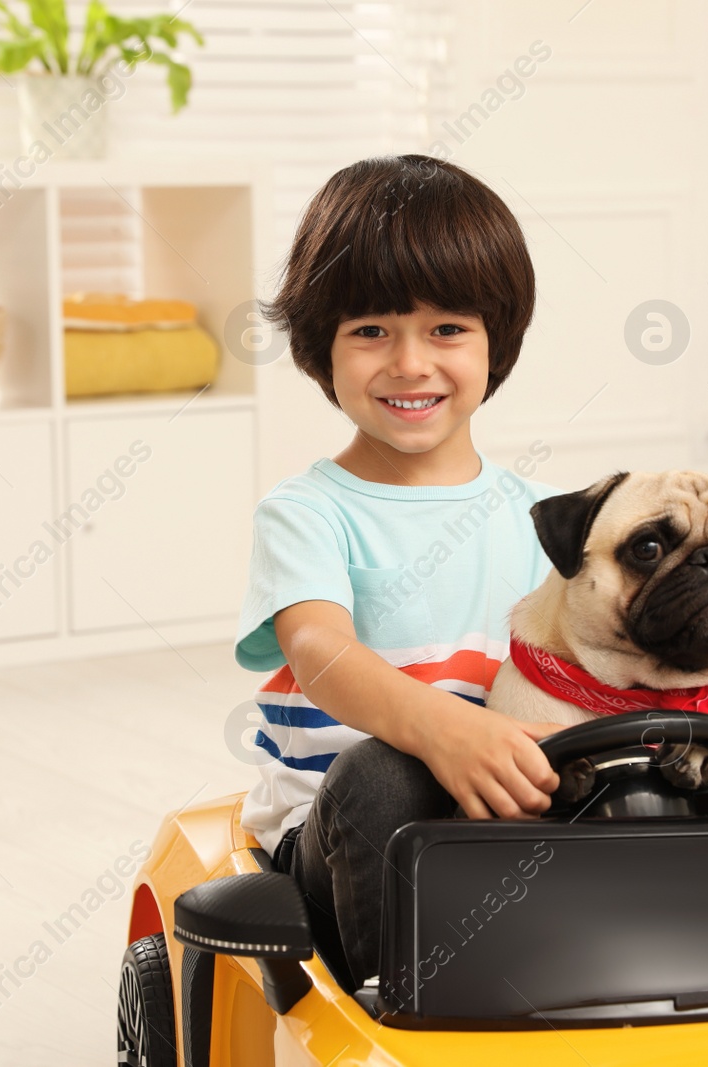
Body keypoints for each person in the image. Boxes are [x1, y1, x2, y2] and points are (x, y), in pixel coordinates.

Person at [232, 154, 566, 990]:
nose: (411, 363)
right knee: (390, 777)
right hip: (341, 837)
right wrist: (444, 730)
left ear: (497, 341)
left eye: (447, 329)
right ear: (323, 349)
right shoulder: (306, 513)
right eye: (372, 330)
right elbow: (319, 650)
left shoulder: (549, 518)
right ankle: (403, 1005)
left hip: (502, 813)